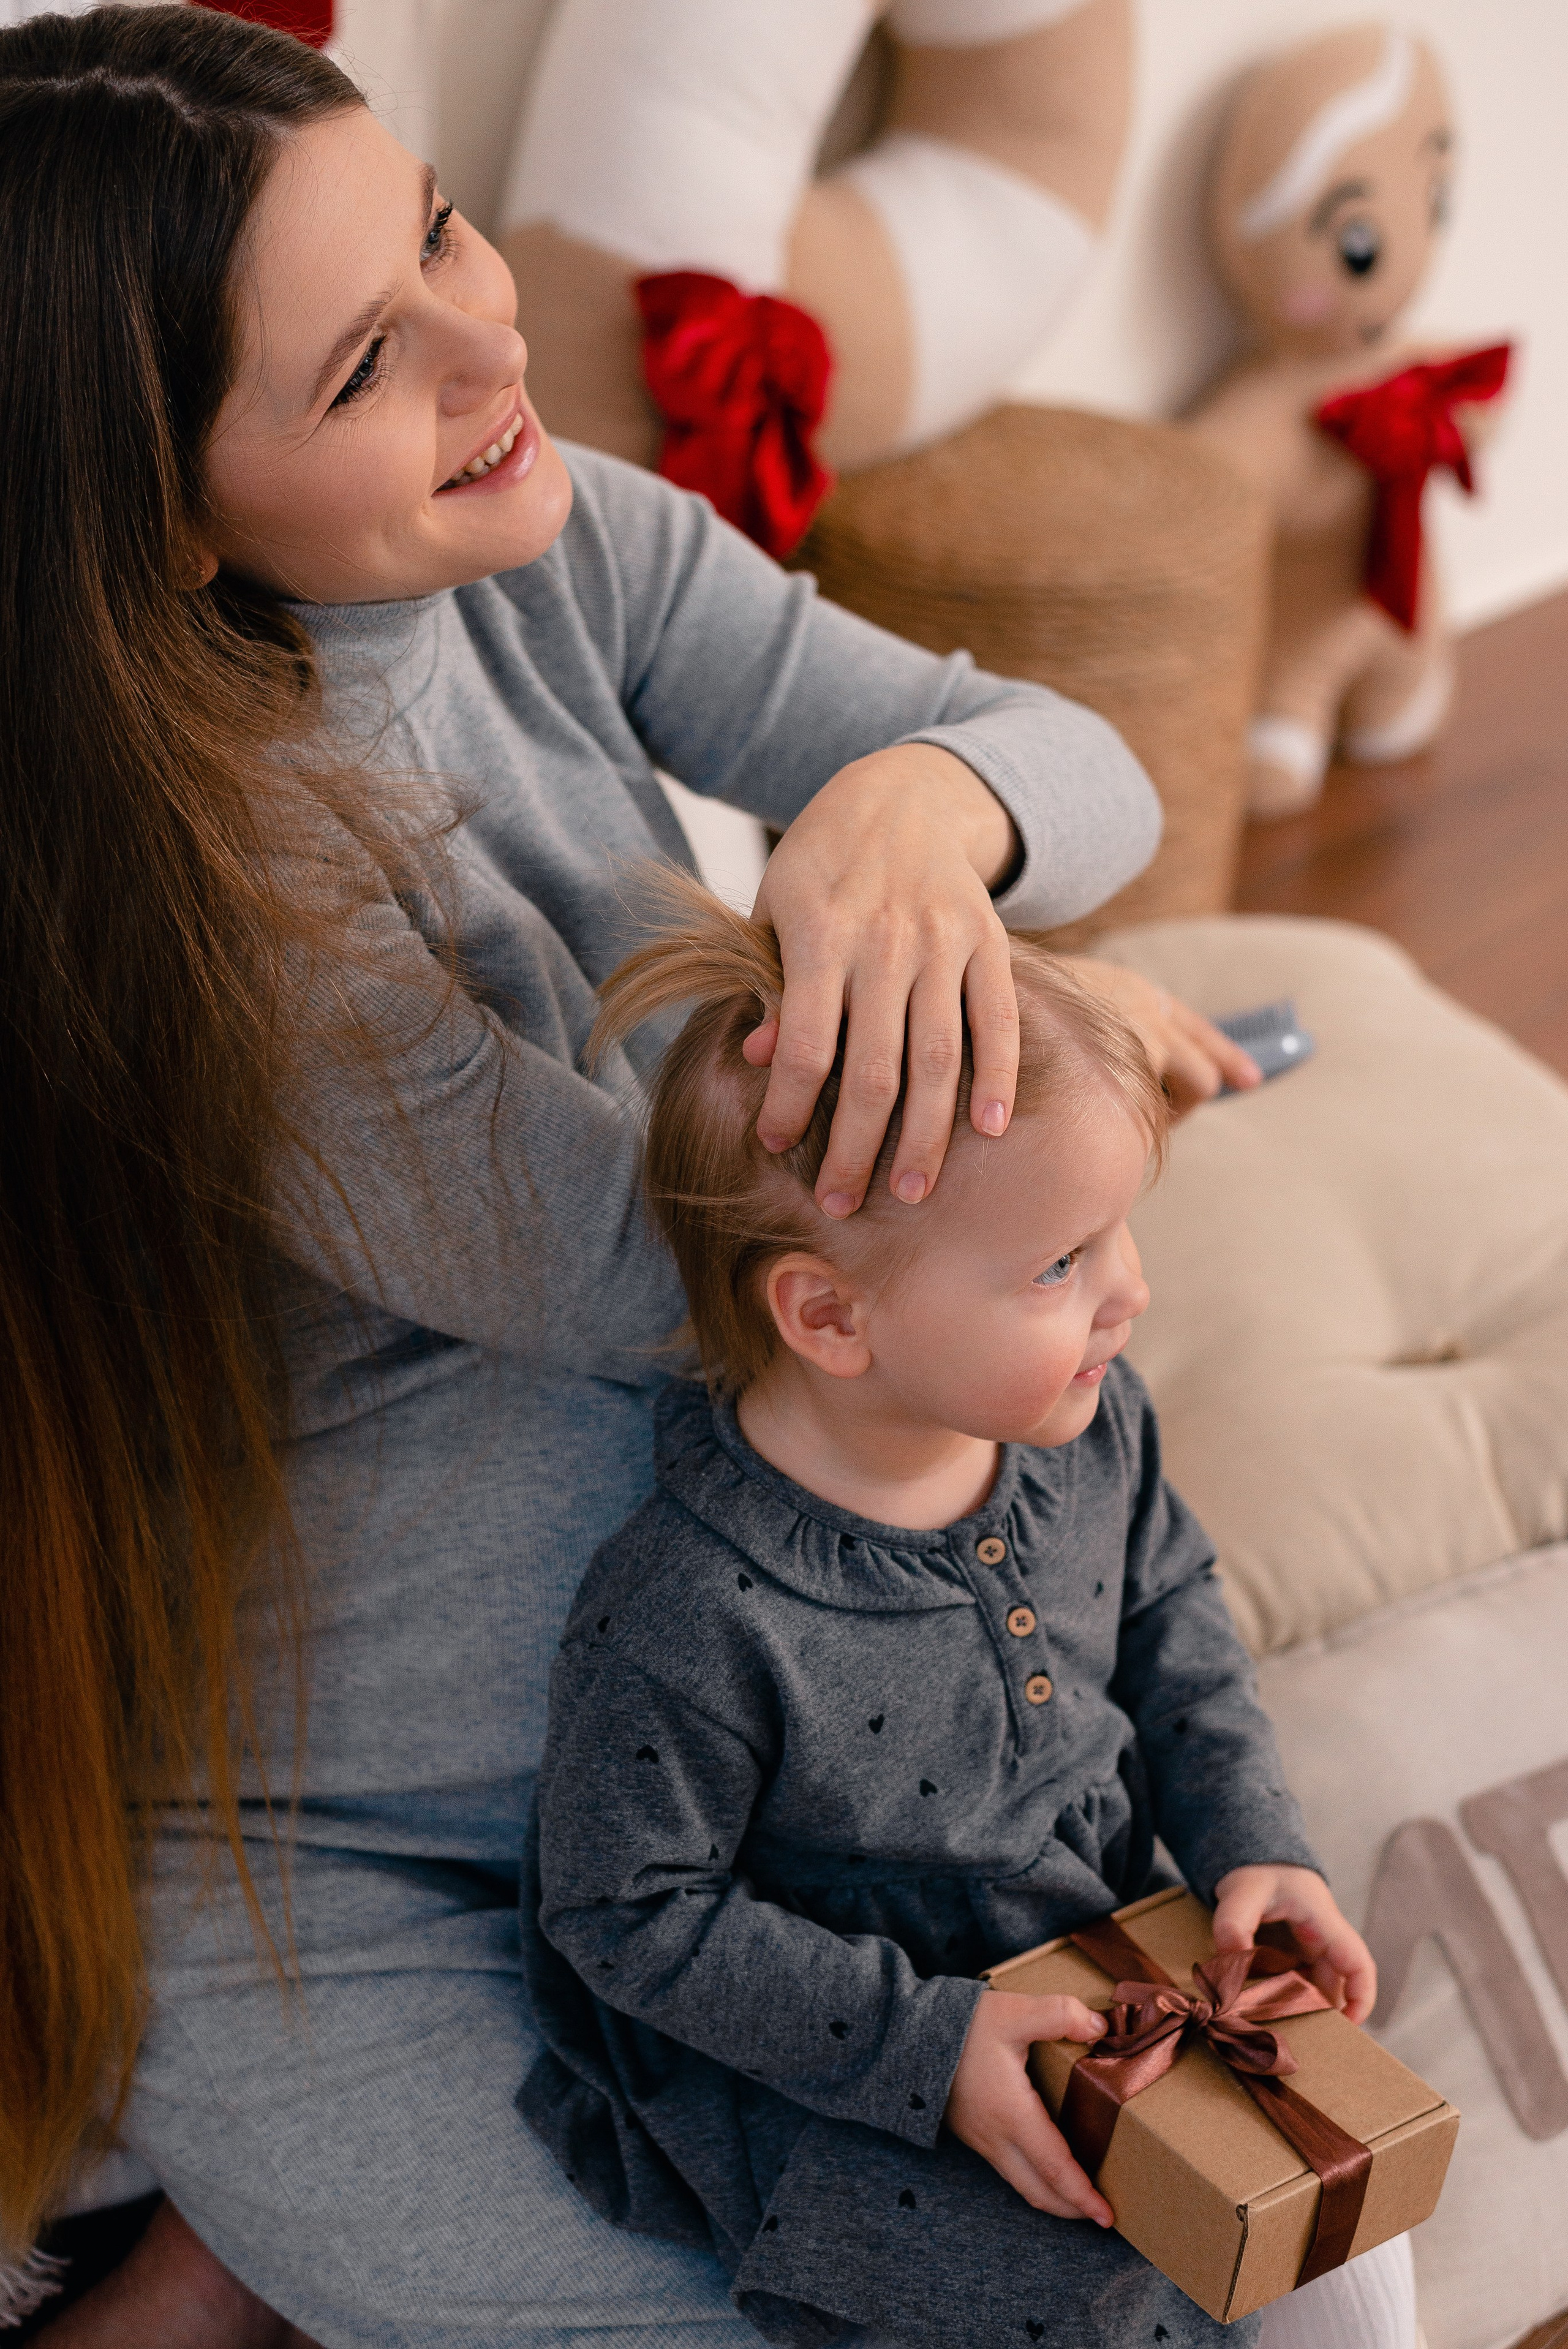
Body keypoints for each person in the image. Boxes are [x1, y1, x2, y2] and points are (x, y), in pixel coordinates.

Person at [0, 10, 1256, 2345]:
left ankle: (229, 2261)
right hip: (395, 1868)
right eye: (373, 352)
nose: (497, 339)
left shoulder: (544, 535)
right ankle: (232, 2221)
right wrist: (1075, 1086)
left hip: (749, 1759)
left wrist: (914, 807)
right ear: (165, 507)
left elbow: (1079, 763)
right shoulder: (208, 888)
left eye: (443, 226)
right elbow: (680, 1264)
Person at [521, 879, 1415, 2349]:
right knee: (1051, 2291)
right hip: (875, 2038)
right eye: (1061, 1263)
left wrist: (1254, 1838)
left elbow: (1172, 1617)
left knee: (1344, 2215)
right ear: (829, 1318)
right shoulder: (689, 1609)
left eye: (1117, 1231)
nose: (1127, 1293)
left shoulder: (1087, 1423)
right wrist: (925, 2047)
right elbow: (623, 1911)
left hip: (1117, 1951)